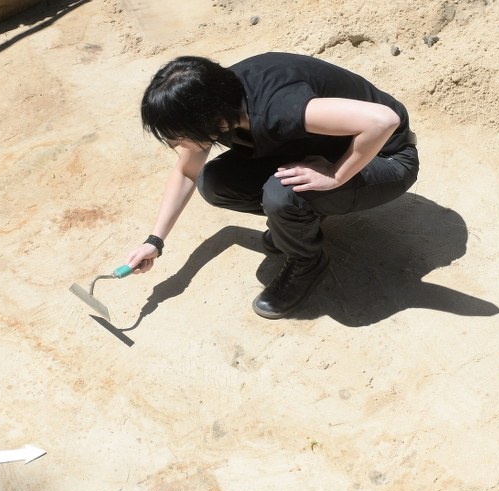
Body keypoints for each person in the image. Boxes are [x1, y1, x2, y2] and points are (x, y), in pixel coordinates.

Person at [126, 52, 419, 319]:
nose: (176, 145)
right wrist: (155, 241)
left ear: (212, 120)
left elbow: (383, 121)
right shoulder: (217, 97)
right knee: (214, 181)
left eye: (178, 137)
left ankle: (307, 261)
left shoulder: (274, 108)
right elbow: (187, 173)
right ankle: (298, 225)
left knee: (282, 196)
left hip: (385, 157)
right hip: (331, 145)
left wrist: (335, 175)